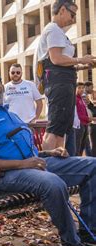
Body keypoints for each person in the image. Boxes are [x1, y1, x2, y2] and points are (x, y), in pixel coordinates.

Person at [0, 70, 96, 246]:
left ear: (3, 87)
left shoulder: (12, 116)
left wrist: (48, 153)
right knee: (53, 183)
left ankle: (88, 232)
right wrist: (24, 164)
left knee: (92, 165)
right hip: (6, 175)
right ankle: (70, 242)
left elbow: (28, 151)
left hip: (34, 165)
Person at [36, 0, 96, 150]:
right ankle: (48, 166)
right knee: (55, 129)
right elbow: (56, 59)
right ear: (62, 10)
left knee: (62, 129)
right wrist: (81, 59)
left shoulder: (58, 32)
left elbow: (62, 63)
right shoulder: (53, 29)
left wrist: (82, 66)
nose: (73, 18)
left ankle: (60, 165)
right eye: (72, 14)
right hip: (59, 84)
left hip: (63, 81)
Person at [75, 82, 91, 155]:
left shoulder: (81, 98)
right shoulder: (75, 99)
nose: (81, 90)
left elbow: (84, 112)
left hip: (84, 124)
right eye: (79, 88)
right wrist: (89, 119)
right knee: (77, 146)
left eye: (82, 88)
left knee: (82, 146)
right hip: (79, 125)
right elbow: (77, 114)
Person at [85, 81, 96, 156]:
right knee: (91, 143)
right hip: (90, 123)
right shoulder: (84, 97)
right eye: (91, 87)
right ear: (87, 87)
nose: (92, 89)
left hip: (90, 123)